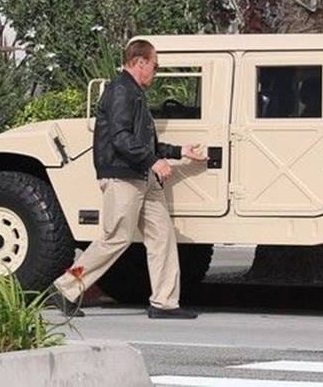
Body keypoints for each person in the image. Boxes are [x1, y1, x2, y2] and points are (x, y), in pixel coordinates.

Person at [50, 39, 207, 319]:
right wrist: (154, 162)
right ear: (139, 62)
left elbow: (143, 141)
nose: (155, 73)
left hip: (140, 176)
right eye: (154, 66)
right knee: (115, 239)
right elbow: (121, 138)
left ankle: (164, 303)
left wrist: (179, 151)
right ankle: (65, 288)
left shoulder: (133, 92)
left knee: (162, 236)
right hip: (123, 177)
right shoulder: (121, 91)